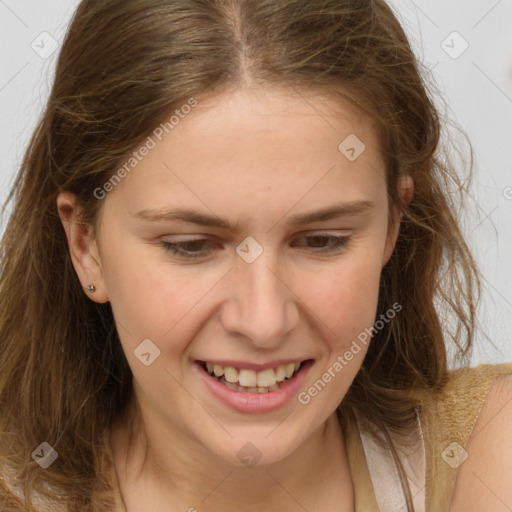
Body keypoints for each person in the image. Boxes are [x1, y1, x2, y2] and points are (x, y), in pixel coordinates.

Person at [0, 1, 510, 511]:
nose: (264, 322)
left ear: (391, 225)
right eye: (191, 246)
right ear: (85, 245)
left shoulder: (489, 453)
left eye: (322, 240)